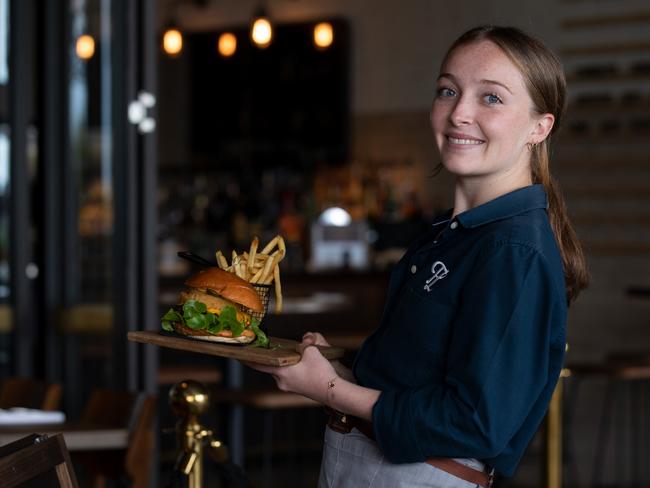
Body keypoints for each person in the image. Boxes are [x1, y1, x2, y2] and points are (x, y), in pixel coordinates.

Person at [247, 25, 589, 487]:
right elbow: (422, 381)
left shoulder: (513, 250)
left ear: (539, 126)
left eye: (491, 98)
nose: (459, 114)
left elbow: (473, 422)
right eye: (448, 90)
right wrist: (334, 370)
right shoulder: (451, 233)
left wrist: (328, 389)